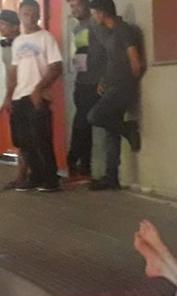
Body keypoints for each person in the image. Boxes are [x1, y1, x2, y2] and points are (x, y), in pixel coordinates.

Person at [3, 0, 62, 192]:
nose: (29, 18)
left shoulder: (46, 38)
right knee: (24, 141)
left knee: (41, 139)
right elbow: (14, 71)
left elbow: (56, 67)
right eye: (25, 14)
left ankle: (51, 180)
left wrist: (39, 88)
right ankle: (35, 176)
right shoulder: (19, 42)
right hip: (19, 96)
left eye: (33, 14)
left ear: (38, 15)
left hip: (38, 97)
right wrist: (9, 96)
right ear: (20, 16)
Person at [87, 0, 144, 191]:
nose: (93, 16)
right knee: (111, 132)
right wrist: (104, 81)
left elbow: (135, 62)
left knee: (94, 116)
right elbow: (113, 61)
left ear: (102, 12)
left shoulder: (124, 31)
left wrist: (127, 83)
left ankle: (128, 129)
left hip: (121, 87)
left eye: (94, 12)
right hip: (112, 85)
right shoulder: (110, 33)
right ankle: (111, 177)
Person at [66, 0, 105, 183]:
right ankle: (84, 167)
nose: (74, 9)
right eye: (71, 6)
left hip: (95, 82)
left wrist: (103, 78)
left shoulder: (96, 25)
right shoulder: (76, 28)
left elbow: (104, 53)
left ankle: (73, 160)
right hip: (81, 81)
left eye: (77, 5)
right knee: (84, 124)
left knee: (82, 122)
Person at [0, 9, 30, 190]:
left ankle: (24, 175)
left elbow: (16, 75)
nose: (1, 28)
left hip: (22, 95)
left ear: (15, 26)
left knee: (24, 138)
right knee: (19, 138)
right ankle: (22, 174)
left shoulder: (24, 45)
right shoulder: (4, 45)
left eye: (3, 25)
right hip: (10, 95)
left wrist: (8, 97)